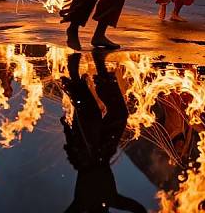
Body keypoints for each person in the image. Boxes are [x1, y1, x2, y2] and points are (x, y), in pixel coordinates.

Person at [61, 52, 146, 213]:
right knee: (118, 114)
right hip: (103, 151)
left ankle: (75, 73)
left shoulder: (83, 204)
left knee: (91, 113)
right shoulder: (109, 200)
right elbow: (136, 208)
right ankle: (99, 67)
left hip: (88, 152)